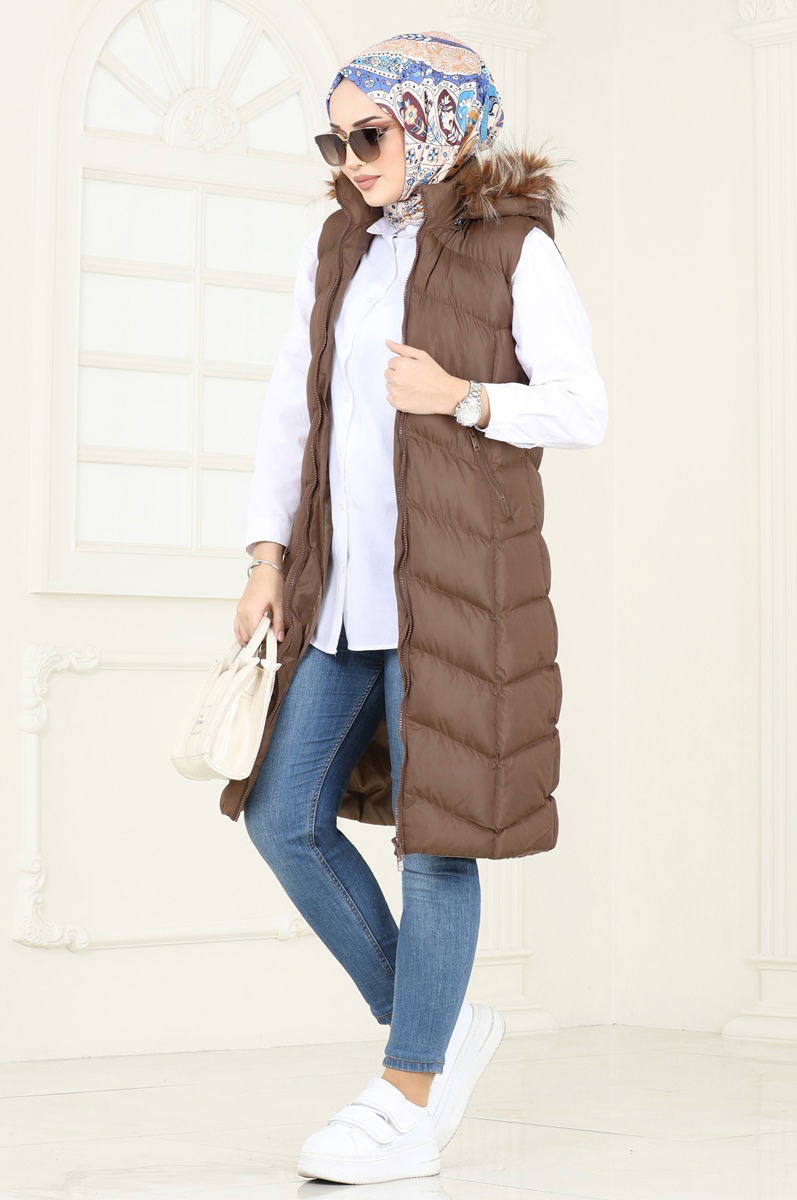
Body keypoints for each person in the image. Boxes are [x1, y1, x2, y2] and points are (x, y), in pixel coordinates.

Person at [232, 29, 607, 1186]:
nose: (349, 160)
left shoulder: (511, 247)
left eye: (369, 134)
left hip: (455, 596)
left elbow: (581, 406)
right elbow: (291, 412)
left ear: (439, 123)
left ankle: (405, 1095)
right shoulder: (338, 247)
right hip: (338, 590)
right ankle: (439, 1027)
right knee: (279, 817)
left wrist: (462, 397)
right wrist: (263, 555)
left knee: (435, 842)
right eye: (334, 140)